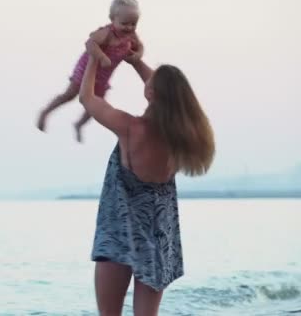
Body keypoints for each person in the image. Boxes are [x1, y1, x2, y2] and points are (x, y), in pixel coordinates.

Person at [78, 45, 215, 315]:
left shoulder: (131, 128)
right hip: (158, 235)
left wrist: (94, 55)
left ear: (150, 92)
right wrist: (136, 62)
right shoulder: (180, 137)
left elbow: (87, 97)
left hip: (119, 232)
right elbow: (167, 94)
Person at [36, 0, 143, 142]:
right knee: (70, 94)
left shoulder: (131, 36)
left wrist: (137, 55)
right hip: (87, 69)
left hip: (103, 77)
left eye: (133, 24)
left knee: (96, 106)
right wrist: (102, 56)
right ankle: (45, 112)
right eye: (124, 23)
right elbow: (90, 43)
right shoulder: (106, 33)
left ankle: (79, 124)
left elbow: (140, 47)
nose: (129, 28)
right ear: (113, 20)